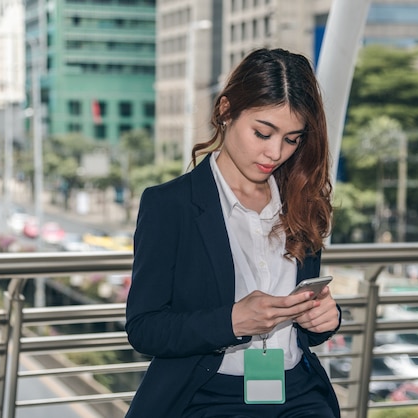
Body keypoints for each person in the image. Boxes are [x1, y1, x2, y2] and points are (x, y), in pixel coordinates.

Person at [125, 48, 342, 418]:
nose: (274, 152)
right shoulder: (170, 205)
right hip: (208, 395)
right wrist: (231, 321)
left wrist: (326, 319)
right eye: (262, 132)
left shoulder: (303, 202)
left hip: (299, 392)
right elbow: (145, 328)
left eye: (292, 139)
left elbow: (307, 329)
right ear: (226, 110)